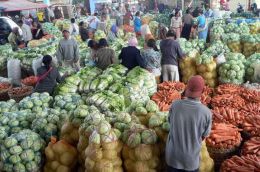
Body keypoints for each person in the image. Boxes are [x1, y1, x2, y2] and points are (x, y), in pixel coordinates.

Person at [166, 75, 212, 172]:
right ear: (203, 91)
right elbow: (204, 136)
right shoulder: (206, 112)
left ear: (186, 88)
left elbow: (170, 122)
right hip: (191, 160)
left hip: (173, 157)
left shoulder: (175, 105)